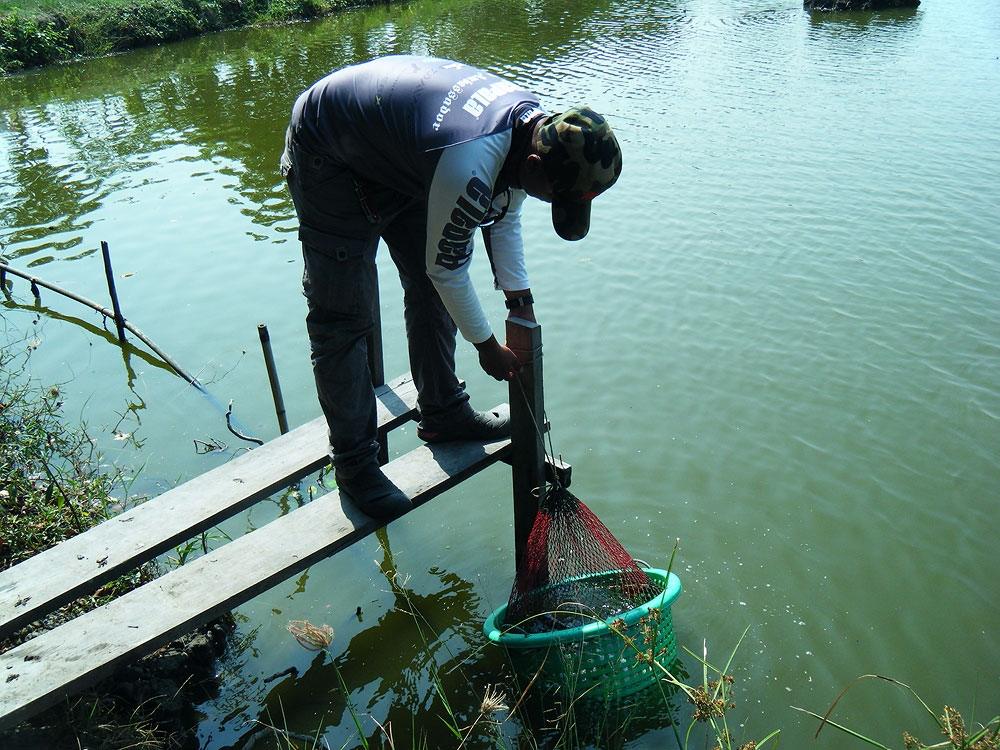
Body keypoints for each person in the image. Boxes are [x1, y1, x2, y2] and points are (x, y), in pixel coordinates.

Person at [281, 55, 622, 520]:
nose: (553, 206)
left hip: (400, 150)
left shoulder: (535, 132)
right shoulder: (472, 159)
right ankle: (355, 465)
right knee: (344, 319)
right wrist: (485, 346)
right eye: (556, 198)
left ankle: (442, 413)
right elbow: (450, 269)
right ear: (536, 165)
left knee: (426, 285)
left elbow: (504, 213)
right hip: (330, 150)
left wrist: (520, 301)